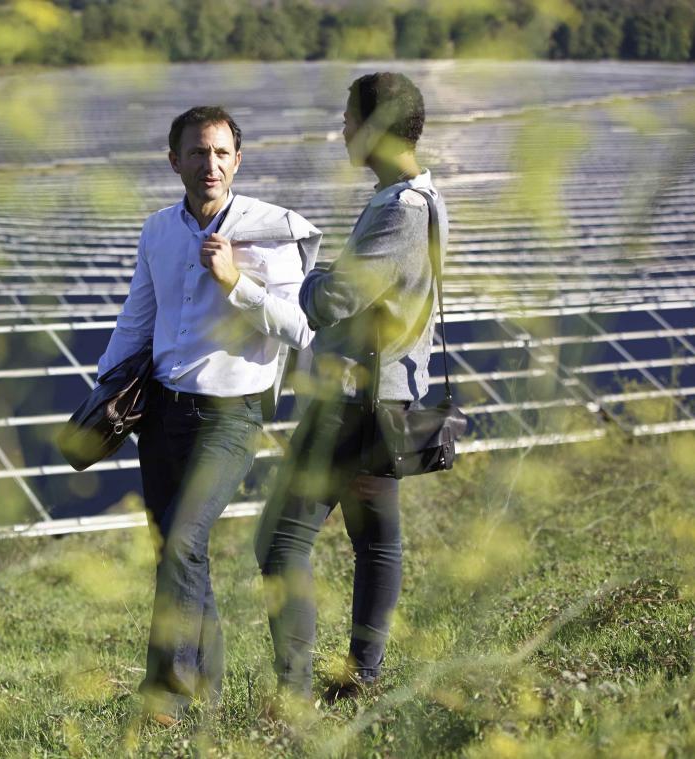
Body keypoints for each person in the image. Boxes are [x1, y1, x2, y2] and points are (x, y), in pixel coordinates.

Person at [97, 105, 321, 724]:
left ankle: (166, 693)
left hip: (230, 415)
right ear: (175, 162)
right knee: (178, 549)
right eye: (197, 153)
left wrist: (235, 283)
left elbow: (300, 328)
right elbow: (137, 317)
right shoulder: (157, 231)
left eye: (222, 153)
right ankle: (208, 694)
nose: (210, 164)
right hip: (161, 414)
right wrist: (101, 390)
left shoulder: (271, 231)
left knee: (184, 543)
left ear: (238, 161)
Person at [256, 72, 448, 706]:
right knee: (375, 542)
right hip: (386, 396)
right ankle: (361, 677)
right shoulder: (423, 198)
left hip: (353, 402)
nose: (342, 131)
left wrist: (297, 278)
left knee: (281, 539)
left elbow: (336, 297)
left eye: (348, 119)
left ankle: (299, 690)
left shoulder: (400, 210)